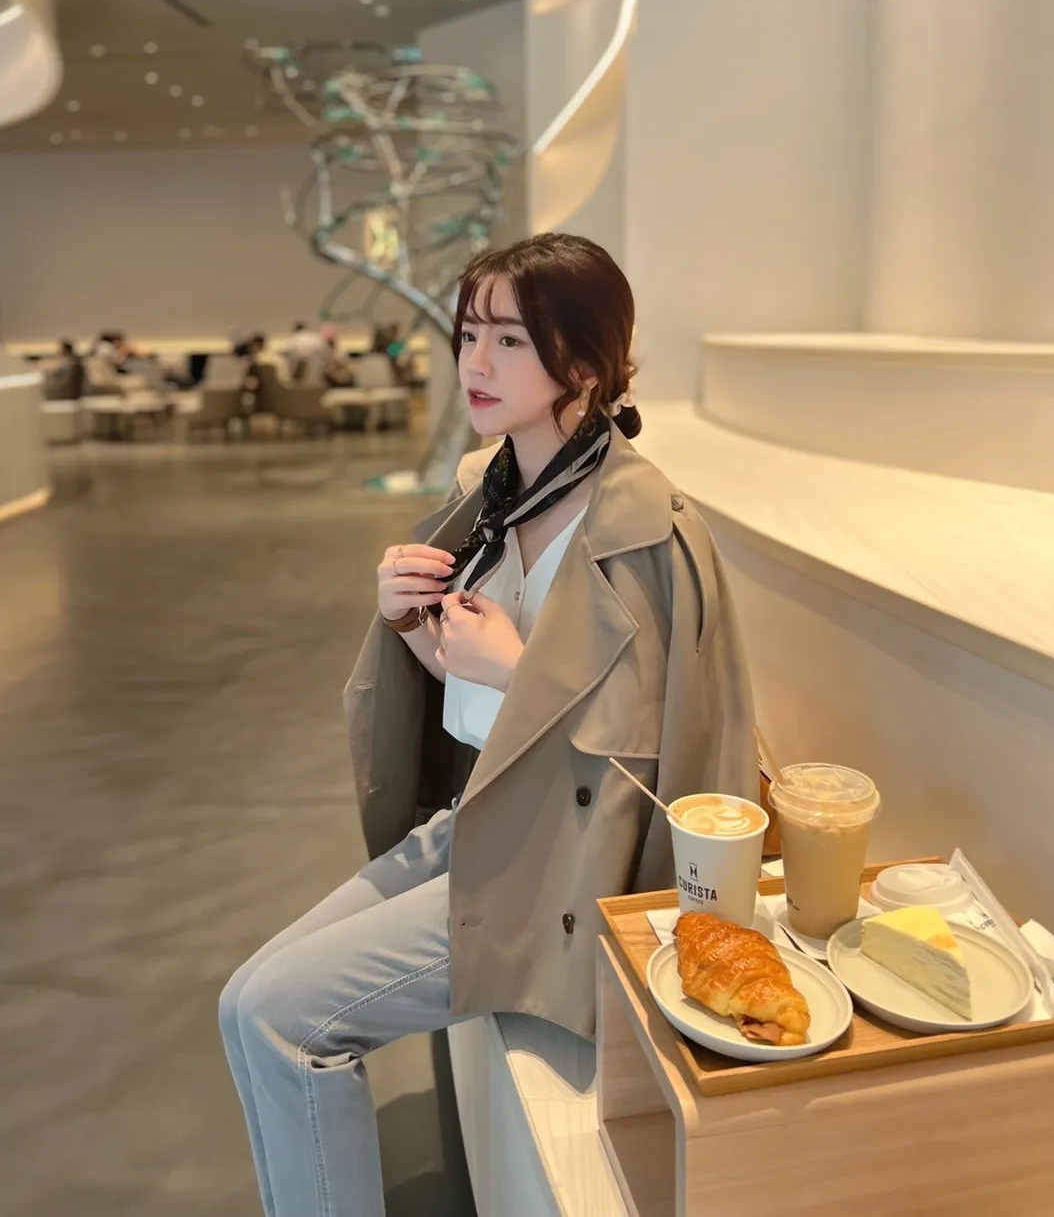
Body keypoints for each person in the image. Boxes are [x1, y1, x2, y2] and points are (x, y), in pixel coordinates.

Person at [219, 233, 756, 1217]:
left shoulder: (646, 528)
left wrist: (518, 668)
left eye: (510, 340)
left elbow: (650, 750)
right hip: (476, 818)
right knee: (241, 1002)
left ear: (583, 365)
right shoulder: (492, 487)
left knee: (281, 1018)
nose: (475, 362)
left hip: (561, 858)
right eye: (470, 333)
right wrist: (408, 622)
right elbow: (470, 691)